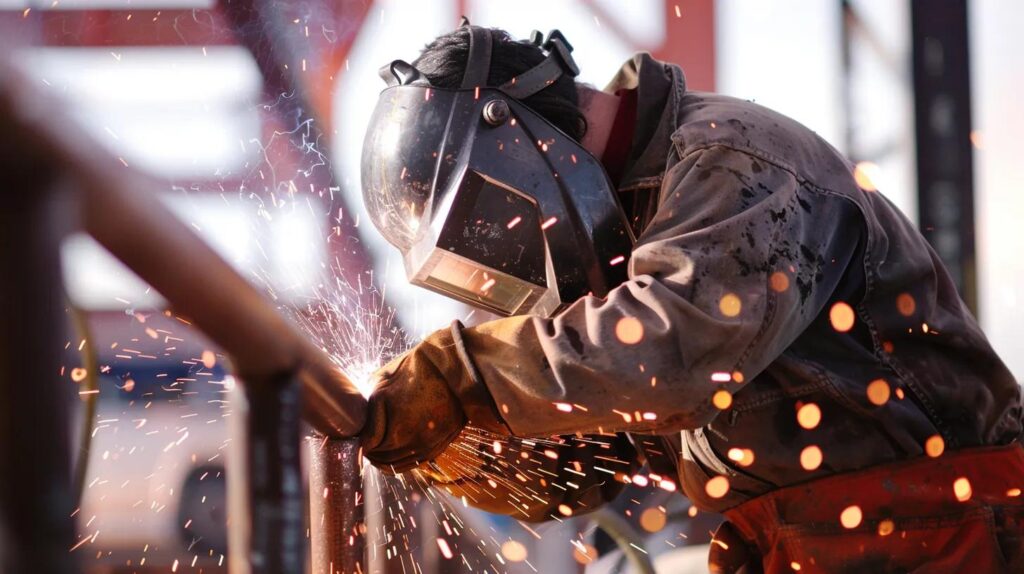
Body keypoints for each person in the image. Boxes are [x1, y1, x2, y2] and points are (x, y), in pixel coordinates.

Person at [357, 21, 1024, 573]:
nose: (503, 252)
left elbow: (670, 354)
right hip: (826, 543)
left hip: (944, 528)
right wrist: (469, 448)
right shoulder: (620, 235)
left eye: (487, 223)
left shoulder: (731, 161)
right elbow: (596, 455)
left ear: (512, 143)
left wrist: (464, 375)